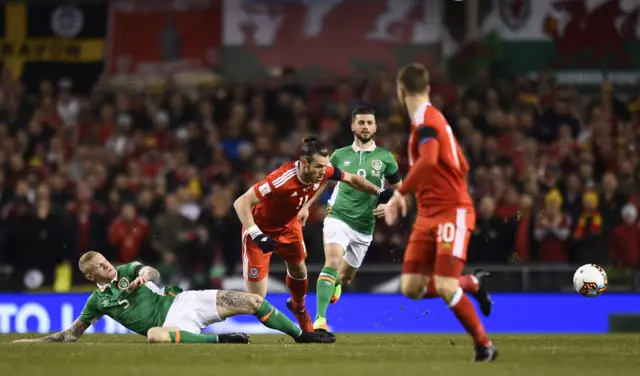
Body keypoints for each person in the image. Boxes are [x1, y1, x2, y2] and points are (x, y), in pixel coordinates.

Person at [384, 63, 497, 361]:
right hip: (428, 213)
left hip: (451, 212)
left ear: (401, 91)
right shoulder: (432, 120)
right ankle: (470, 283)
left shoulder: (426, 119)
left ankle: (484, 345)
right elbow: (460, 163)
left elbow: (431, 160)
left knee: (445, 286)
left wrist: (400, 193)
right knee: (411, 287)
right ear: (428, 88)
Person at [233, 137, 394, 332]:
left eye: (325, 166)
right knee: (256, 301)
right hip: (260, 230)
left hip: (289, 227)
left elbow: (352, 178)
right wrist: (256, 234)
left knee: (300, 271)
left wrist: (378, 192)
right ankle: (219, 306)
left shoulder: (324, 171)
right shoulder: (281, 180)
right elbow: (241, 202)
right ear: (304, 162)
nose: (323, 171)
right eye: (318, 166)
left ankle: (301, 316)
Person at [12, 251, 335, 344]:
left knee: (251, 301)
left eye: (104, 261)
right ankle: (223, 341)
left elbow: (151, 270)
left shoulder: (127, 270)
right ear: (90, 276)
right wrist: (34, 343)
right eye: (98, 266)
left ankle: (302, 335)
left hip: (184, 302)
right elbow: (71, 335)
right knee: (154, 336)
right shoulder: (97, 302)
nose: (105, 265)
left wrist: (144, 276)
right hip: (171, 324)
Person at [300, 106, 402, 332]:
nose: (365, 127)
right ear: (353, 126)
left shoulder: (386, 158)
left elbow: (402, 191)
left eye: (369, 123)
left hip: (365, 225)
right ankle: (319, 320)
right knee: (332, 262)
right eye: (361, 123)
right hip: (338, 216)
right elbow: (321, 182)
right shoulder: (338, 155)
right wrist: (307, 205)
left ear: (375, 127)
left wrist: (389, 205)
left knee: (345, 277)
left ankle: (334, 284)